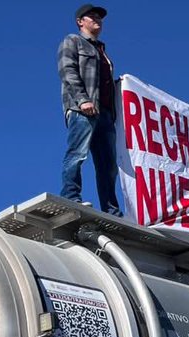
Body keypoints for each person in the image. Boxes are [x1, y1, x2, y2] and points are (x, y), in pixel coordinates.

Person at [58, 4, 121, 215]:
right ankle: (71, 196)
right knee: (77, 154)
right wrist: (83, 99)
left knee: (109, 167)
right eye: (92, 16)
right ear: (80, 21)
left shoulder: (103, 52)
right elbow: (67, 71)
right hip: (82, 108)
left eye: (99, 17)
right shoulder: (72, 41)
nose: (97, 19)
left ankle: (111, 210)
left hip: (105, 114)